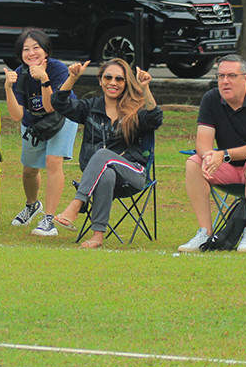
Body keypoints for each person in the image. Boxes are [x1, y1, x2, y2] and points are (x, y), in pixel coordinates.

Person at [177, 54, 246, 253]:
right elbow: (203, 142)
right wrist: (208, 156)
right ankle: (205, 234)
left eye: (231, 76)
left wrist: (224, 154)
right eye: (221, 76)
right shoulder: (211, 98)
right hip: (231, 169)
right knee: (194, 162)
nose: (225, 81)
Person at [50, 59, 162, 248]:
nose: (113, 82)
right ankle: (97, 236)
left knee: (103, 155)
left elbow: (155, 119)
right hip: (98, 176)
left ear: (126, 83)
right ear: (100, 80)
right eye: (108, 77)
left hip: (133, 173)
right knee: (106, 172)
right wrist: (72, 78)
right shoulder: (90, 108)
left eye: (119, 79)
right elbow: (58, 103)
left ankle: (77, 204)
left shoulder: (135, 109)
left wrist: (145, 88)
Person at [3, 29, 79, 237]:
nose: (31, 53)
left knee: (53, 161)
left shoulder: (58, 70)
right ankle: (32, 205)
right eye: (26, 49)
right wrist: (8, 88)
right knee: (29, 170)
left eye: (36, 47)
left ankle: (49, 219)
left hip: (62, 118)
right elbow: (16, 116)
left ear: (46, 51)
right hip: (34, 123)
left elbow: (51, 107)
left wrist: (44, 79)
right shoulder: (20, 73)